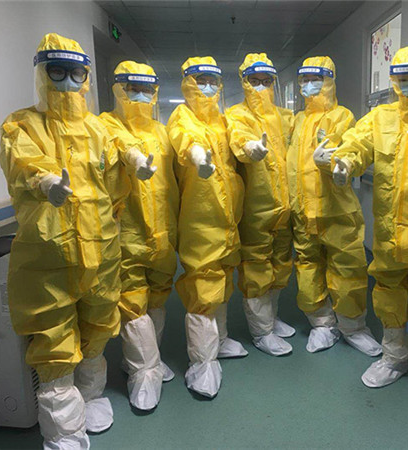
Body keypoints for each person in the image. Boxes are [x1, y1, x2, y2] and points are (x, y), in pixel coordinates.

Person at [0, 33, 129, 448]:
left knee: (97, 327)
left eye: (76, 73)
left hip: (101, 249)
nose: (69, 82)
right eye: (57, 72)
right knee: (53, 342)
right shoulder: (21, 124)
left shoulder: (98, 128)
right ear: (41, 73)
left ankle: (90, 398)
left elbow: (115, 185)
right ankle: (63, 433)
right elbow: (23, 163)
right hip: (48, 255)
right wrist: (46, 182)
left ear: (87, 77)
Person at [332, 44, 408, 407]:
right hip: (390, 235)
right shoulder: (380, 118)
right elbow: (356, 144)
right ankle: (394, 358)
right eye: (403, 79)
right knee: (388, 296)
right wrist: (344, 163)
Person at [288, 56, 381, 355]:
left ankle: (353, 327)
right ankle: (321, 324)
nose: (309, 85)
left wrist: (336, 165)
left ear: (329, 81)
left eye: (315, 79)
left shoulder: (342, 116)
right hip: (303, 211)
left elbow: (349, 149)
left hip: (336, 209)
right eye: (304, 79)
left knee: (348, 268)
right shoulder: (297, 121)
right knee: (308, 267)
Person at [99, 61, 179, 410]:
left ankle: (148, 358)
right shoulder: (105, 124)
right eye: (133, 89)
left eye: (147, 89)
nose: (141, 96)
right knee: (132, 303)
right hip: (127, 233)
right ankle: (144, 373)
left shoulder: (162, 132)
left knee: (157, 298)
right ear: (119, 90)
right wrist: (133, 157)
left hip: (163, 233)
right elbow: (120, 143)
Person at [166, 57, 248, 398]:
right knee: (202, 286)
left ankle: (221, 339)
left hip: (227, 219)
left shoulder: (221, 120)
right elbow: (184, 138)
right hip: (200, 220)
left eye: (213, 80)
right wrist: (198, 156)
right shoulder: (182, 115)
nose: (208, 87)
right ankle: (202, 362)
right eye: (200, 80)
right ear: (188, 83)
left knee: (223, 280)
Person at [225, 53, 296, 356]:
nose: (261, 87)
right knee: (256, 268)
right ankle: (261, 332)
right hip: (256, 209)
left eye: (267, 81)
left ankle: (272, 318)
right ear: (244, 82)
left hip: (285, 208)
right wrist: (249, 147)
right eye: (255, 81)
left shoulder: (285, 117)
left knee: (280, 265)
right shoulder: (237, 115)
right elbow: (238, 137)